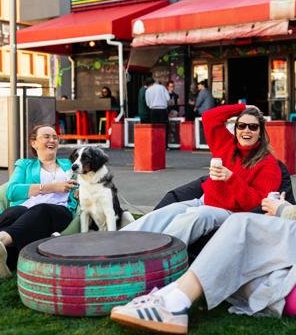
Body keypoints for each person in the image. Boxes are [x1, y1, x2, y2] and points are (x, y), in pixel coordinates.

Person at [111, 95, 296, 334]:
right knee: (179, 209)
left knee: (239, 223)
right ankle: (126, 252)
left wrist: (279, 207)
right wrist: (244, 109)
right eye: (241, 125)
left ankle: (172, 299)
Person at [120, 103, 281, 246]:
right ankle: (119, 242)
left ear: (260, 132)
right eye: (241, 126)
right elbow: (209, 117)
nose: (246, 130)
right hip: (204, 201)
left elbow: (258, 204)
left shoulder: (268, 164)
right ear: (236, 128)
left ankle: (158, 254)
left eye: (253, 127)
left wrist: (231, 179)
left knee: (197, 216)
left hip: (233, 213)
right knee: (166, 213)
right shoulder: (227, 144)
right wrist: (243, 108)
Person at [0, 125, 78, 278]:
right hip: (25, 209)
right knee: (11, 212)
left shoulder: (70, 165)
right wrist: (51, 187)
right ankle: (3, 261)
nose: (52, 140)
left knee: (42, 209)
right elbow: (12, 192)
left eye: (55, 137)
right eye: (46, 136)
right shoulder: (25, 165)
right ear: (34, 143)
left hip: (58, 211)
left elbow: (87, 182)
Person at [146, 79, 171, 147]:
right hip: (162, 110)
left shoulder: (148, 90)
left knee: (154, 128)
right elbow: (168, 99)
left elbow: (147, 103)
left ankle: (155, 144)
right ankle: (164, 145)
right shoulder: (162, 88)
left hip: (153, 110)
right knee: (163, 128)